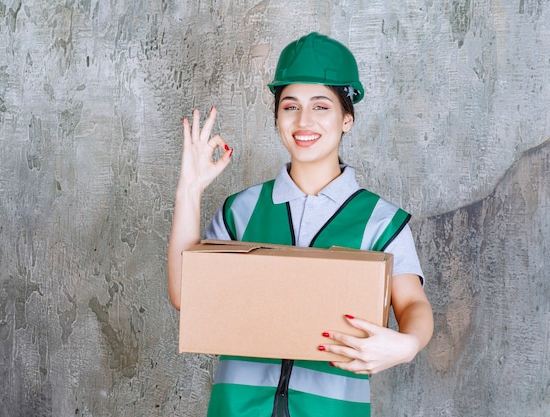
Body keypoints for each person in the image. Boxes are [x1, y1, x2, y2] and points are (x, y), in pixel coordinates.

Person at [167, 32, 433, 417]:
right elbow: (186, 296)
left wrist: (408, 344)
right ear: (277, 117)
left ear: (347, 118)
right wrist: (189, 190)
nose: (303, 120)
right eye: (290, 106)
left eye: (321, 106)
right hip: (237, 408)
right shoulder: (240, 211)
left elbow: (412, 304)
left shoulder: (381, 221)